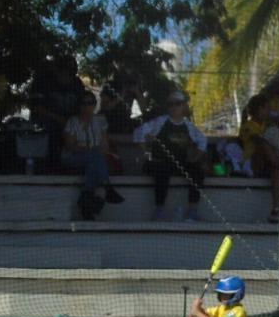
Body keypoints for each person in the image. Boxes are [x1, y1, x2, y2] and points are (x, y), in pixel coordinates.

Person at [134, 91, 208, 221]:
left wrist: (195, 158)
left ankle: (192, 210)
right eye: (170, 104)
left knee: (197, 171)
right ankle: (159, 210)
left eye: (178, 104)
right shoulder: (159, 122)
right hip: (159, 162)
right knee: (162, 171)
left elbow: (202, 141)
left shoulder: (188, 126)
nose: (174, 107)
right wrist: (147, 153)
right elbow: (138, 133)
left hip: (179, 163)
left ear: (184, 106)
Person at [64, 90, 124, 219]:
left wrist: (91, 150)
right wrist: (90, 150)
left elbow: (105, 146)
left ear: (94, 104)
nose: (87, 106)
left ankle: (87, 201)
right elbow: (70, 147)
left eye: (90, 103)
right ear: (79, 105)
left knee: (94, 161)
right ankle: (106, 188)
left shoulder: (100, 121)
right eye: (84, 103)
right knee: (94, 157)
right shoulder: (72, 122)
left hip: (94, 159)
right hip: (75, 158)